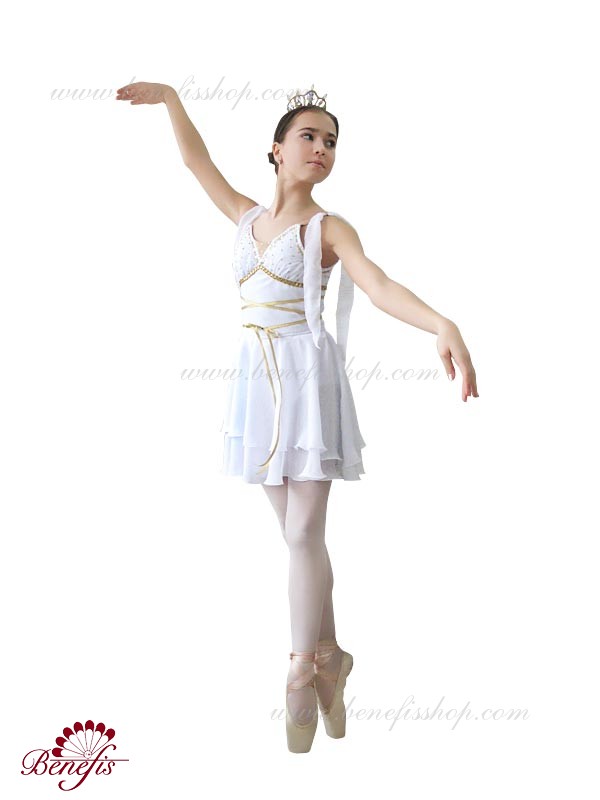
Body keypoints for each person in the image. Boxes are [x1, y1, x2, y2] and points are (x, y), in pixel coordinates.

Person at [116, 81, 480, 753]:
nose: (322, 149)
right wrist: (170, 99)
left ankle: (298, 670)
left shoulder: (329, 228)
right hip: (257, 384)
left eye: (331, 141)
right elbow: (196, 161)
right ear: (277, 150)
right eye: (309, 136)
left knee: (304, 531)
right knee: (297, 539)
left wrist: (441, 322)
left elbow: (377, 284)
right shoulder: (244, 215)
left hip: (308, 382)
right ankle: (332, 655)